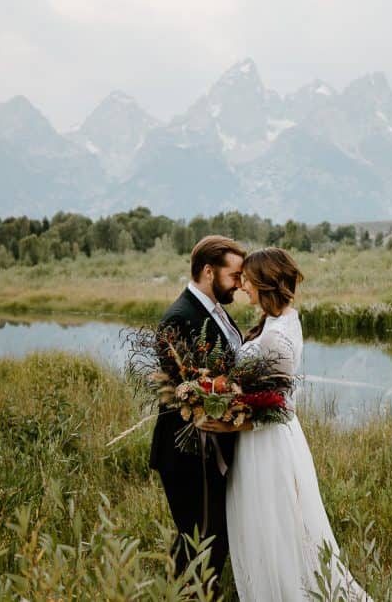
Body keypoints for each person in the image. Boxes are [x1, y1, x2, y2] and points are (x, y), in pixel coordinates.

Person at [198, 247, 371, 601]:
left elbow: (281, 405)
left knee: (273, 524)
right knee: (267, 523)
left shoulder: (277, 335)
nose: (243, 286)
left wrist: (233, 426)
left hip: (267, 445)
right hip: (261, 441)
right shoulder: (277, 321)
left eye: (248, 280)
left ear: (265, 283)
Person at [150, 235, 246, 583]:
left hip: (210, 449)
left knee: (210, 539)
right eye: (234, 275)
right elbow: (184, 391)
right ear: (209, 271)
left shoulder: (215, 312)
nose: (240, 284)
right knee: (202, 541)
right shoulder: (179, 318)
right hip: (187, 452)